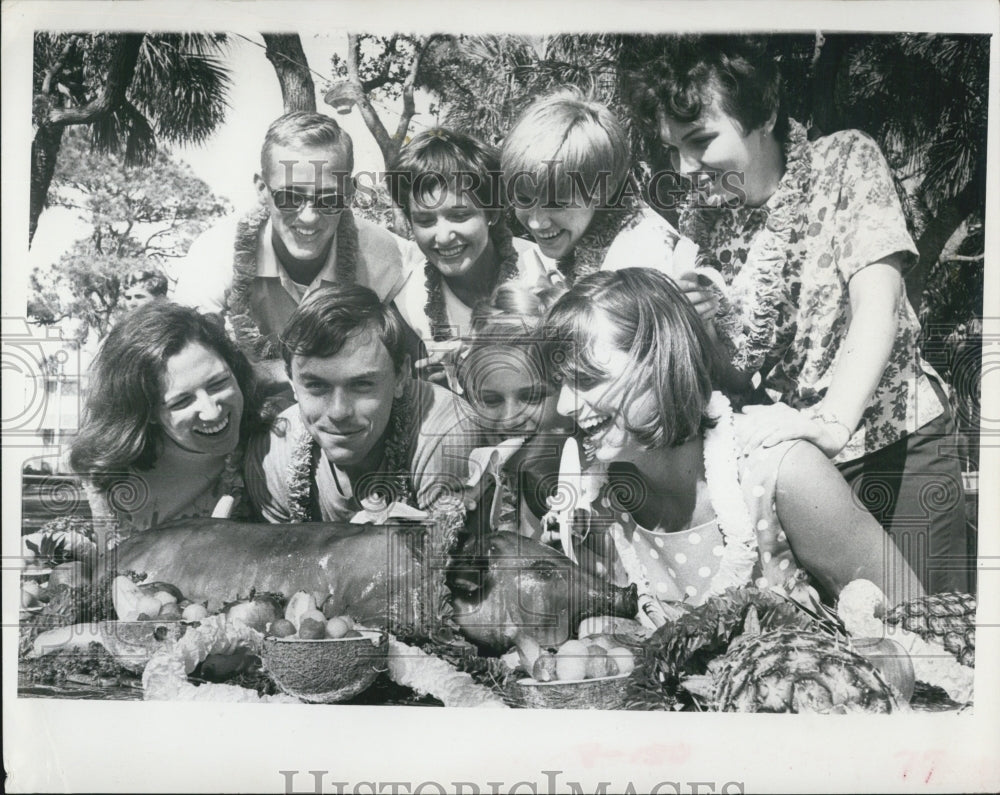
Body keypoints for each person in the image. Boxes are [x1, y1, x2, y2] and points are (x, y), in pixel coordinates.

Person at [624, 36, 967, 593]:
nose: (684, 166)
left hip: (899, 449)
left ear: (764, 112)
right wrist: (710, 331)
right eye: (671, 148)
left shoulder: (845, 160)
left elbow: (876, 303)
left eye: (701, 140)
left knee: (928, 638)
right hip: (798, 466)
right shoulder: (708, 222)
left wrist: (831, 422)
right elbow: (739, 380)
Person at [546, 269, 924, 612]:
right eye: (561, 383)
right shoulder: (598, 498)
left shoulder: (781, 472)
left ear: (660, 362)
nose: (565, 404)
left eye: (586, 379)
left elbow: (912, 621)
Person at [173, 111, 421, 394]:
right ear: (262, 190)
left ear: (350, 194)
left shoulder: (391, 257)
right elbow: (184, 362)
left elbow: (417, 366)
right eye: (290, 198)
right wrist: (285, 373)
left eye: (328, 200)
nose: (309, 218)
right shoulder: (215, 253)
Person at [244, 285, 479, 530]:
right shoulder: (271, 453)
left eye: (361, 385)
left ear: (401, 376)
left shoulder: (445, 433)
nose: (338, 412)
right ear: (292, 381)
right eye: (316, 386)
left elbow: (439, 561)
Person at [499, 88, 718, 321]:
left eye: (556, 203)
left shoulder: (641, 264)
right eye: (523, 199)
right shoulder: (577, 236)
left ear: (605, 189)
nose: (536, 221)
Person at [69, 303, 267, 547]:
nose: (212, 411)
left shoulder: (268, 444)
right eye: (182, 400)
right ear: (147, 410)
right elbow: (112, 569)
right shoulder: (110, 478)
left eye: (218, 383)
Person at [388, 128, 551, 361]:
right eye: (425, 220)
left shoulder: (541, 269)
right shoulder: (409, 306)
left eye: (460, 215)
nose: (443, 237)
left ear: (492, 212)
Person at [455, 282, 572, 539]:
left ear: (571, 389)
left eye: (531, 397)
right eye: (492, 400)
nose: (509, 420)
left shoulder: (607, 490)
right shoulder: (484, 489)